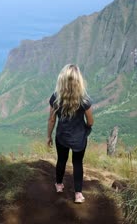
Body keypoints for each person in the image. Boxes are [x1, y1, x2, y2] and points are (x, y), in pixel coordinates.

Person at [47, 64, 94, 204]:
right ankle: (78, 194)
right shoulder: (83, 99)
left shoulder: (56, 97)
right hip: (79, 138)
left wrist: (48, 136)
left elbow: (51, 119)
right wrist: (86, 129)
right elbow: (90, 121)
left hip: (61, 136)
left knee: (61, 160)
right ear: (78, 80)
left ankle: (59, 185)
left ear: (62, 80)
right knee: (77, 163)